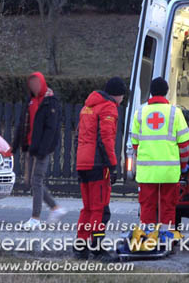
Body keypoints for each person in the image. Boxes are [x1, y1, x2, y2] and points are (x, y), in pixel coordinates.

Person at [74, 77, 127, 260]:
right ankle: (97, 248)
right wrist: (112, 164)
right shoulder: (108, 108)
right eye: (122, 96)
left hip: (83, 163)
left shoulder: (86, 107)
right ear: (118, 95)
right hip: (98, 165)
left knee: (87, 208)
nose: (122, 101)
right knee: (100, 209)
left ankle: (80, 247)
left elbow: (78, 136)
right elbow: (106, 139)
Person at [131, 77, 189, 237]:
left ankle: (147, 237)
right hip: (169, 172)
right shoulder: (175, 113)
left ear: (150, 92)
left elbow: (135, 144)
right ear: (167, 92)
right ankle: (166, 238)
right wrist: (183, 164)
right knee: (168, 206)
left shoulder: (140, 113)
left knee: (147, 206)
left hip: (147, 172)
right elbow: (184, 144)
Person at [12, 72, 66, 229]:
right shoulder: (30, 100)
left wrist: (43, 149)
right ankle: (56, 208)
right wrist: (15, 146)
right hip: (30, 147)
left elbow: (52, 129)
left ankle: (35, 218)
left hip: (41, 149)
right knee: (31, 181)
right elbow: (23, 123)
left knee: (36, 180)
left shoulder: (51, 102)